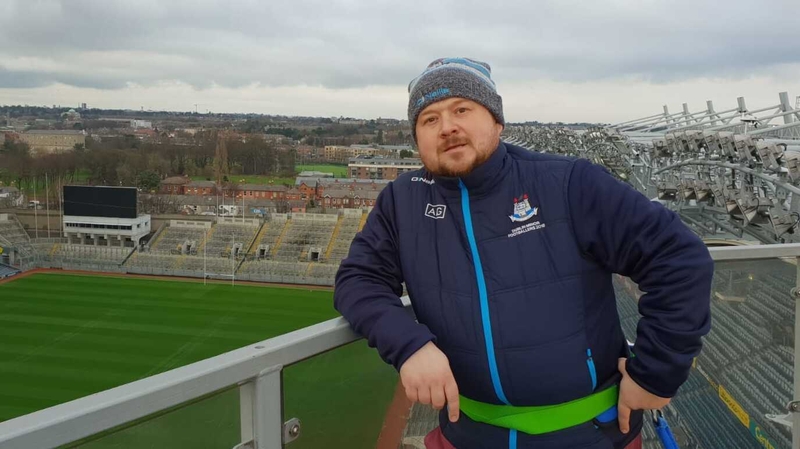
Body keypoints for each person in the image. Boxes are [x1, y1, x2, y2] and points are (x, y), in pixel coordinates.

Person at [334, 57, 713, 449]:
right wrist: (408, 345)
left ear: (497, 120)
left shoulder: (568, 182)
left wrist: (654, 374)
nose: (447, 127)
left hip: (589, 435)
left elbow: (679, 258)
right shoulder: (402, 200)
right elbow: (357, 280)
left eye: (462, 109)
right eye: (429, 119)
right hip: (466, 435)